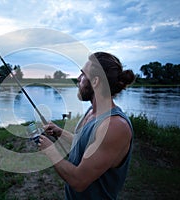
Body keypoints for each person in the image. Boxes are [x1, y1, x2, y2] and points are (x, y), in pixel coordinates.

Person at [38, 52, 135, 200]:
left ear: (95, 81)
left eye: (83, 74)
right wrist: (60, 133)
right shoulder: (92, 112)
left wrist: (50, 150)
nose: (78, 79)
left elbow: (79, 180)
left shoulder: (114, 126)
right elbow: (86, 144)